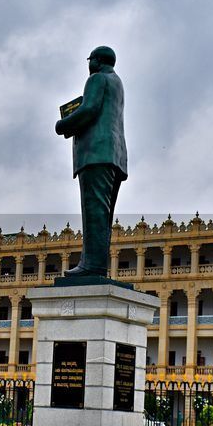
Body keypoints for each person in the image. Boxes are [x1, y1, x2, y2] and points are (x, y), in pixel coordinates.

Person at [54, 45, 127, 278]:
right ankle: (93, 263)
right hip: (114, 156)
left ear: (96, 61)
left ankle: (91, 265)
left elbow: (89, 109)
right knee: (102, 215)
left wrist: (63, 125)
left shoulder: (97, 79)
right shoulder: (117, 83)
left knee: (94, 212)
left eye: (90, 59)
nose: (88, 64)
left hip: (96, 153)